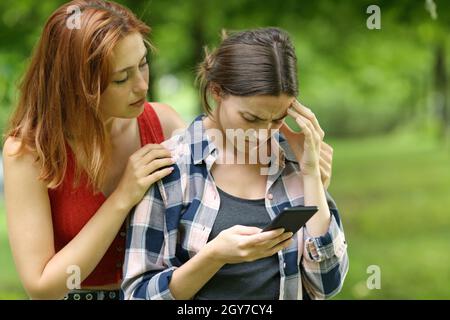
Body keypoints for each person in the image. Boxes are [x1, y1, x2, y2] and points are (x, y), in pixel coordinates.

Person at [121, 27, 348, 300]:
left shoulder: (296, 161)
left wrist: (312, 177)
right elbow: (137, 295)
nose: (263, 133)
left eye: (277, 119)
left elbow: (327, 285)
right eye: (251, 118)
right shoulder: (170, 167)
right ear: (217, 91)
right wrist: (213, 257)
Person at [2, 0, 185, 300]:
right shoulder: (30, 153)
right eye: (121, 78)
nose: (141, 86)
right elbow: (42, 287)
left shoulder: (162, 124)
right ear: (77, 84)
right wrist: (122, 197)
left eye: (142, 64)